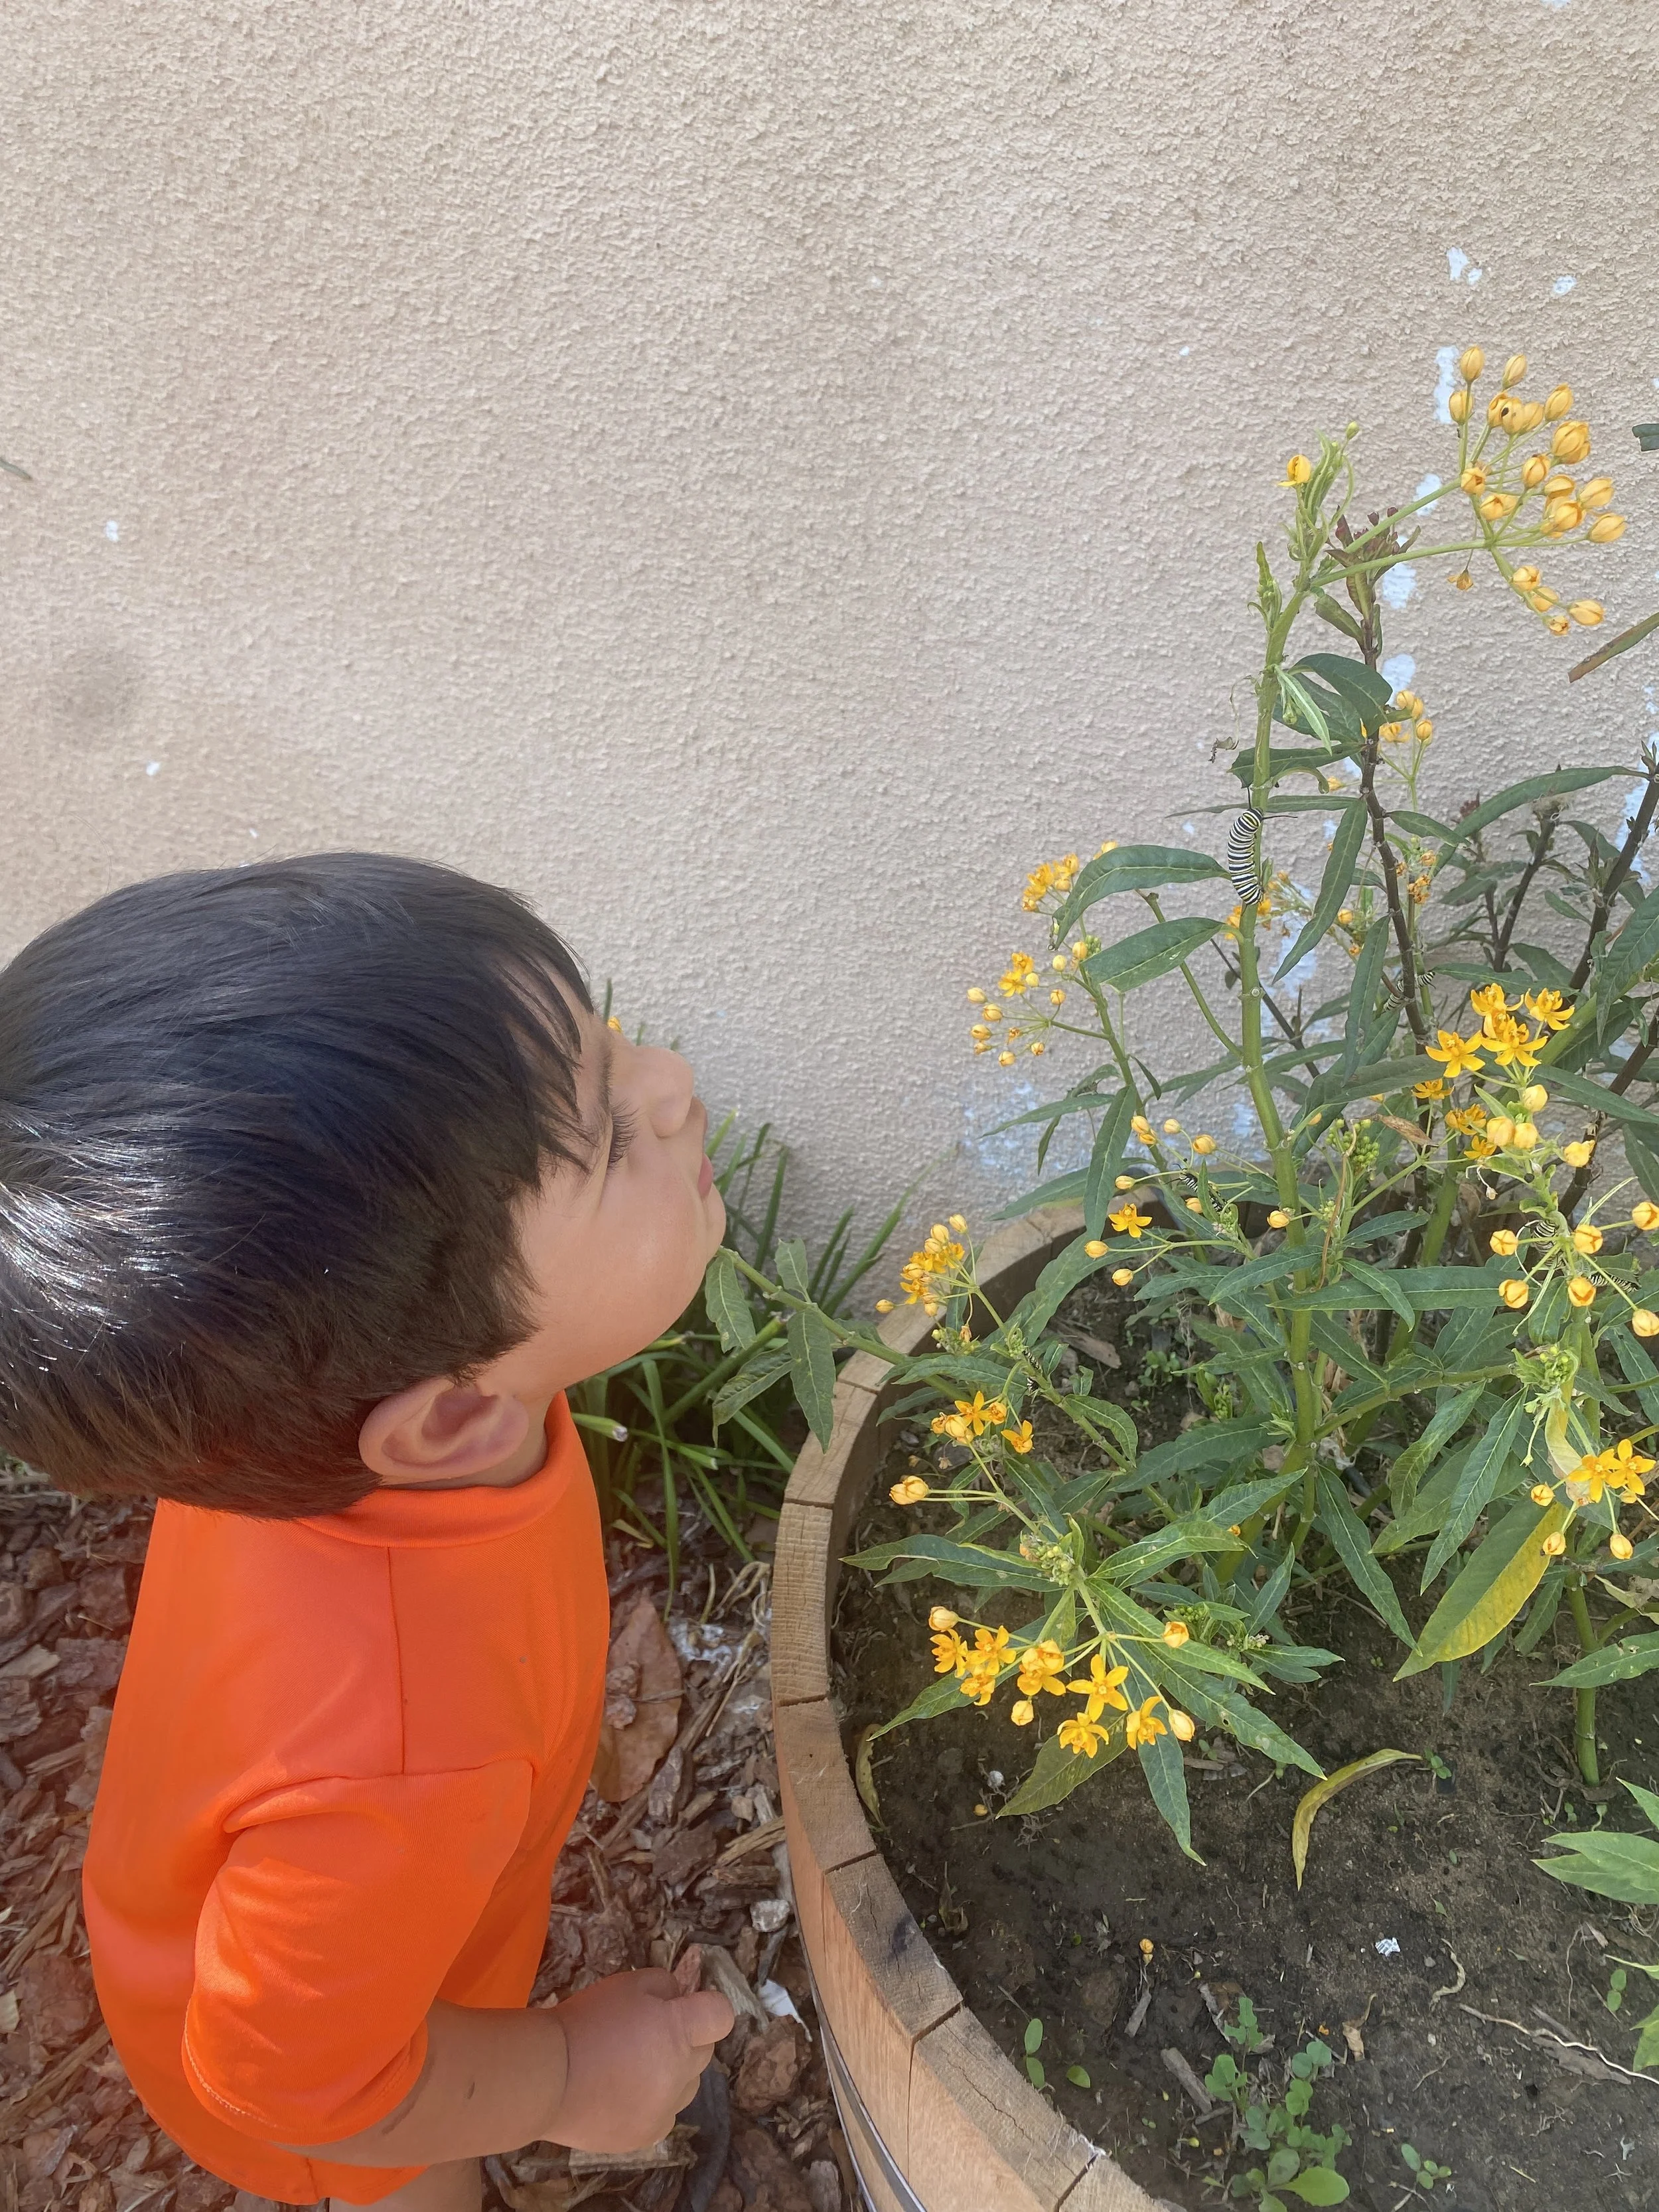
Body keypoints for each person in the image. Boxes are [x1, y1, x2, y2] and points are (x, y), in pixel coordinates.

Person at [0, 854, 735, 2211]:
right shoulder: (400, 1744)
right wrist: (572, 2069)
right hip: (336, 2083)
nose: (672, 1078)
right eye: (606, 1134)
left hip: (269, 1916)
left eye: (608, 1040)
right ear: (445, 1418)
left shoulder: (293, 1430)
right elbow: (300, 2080)